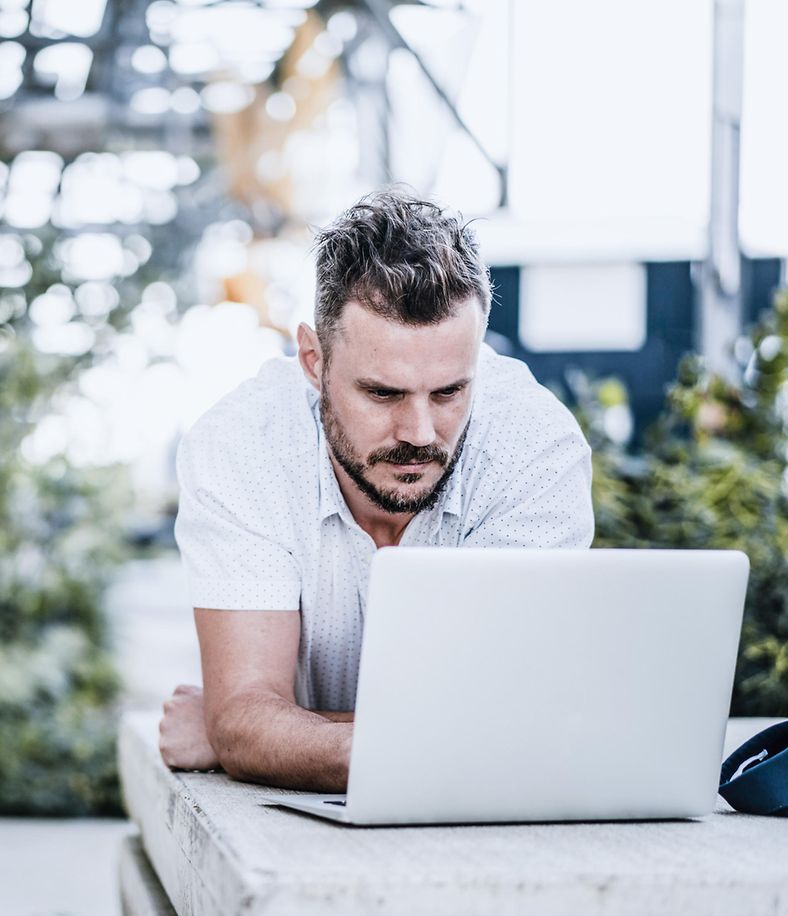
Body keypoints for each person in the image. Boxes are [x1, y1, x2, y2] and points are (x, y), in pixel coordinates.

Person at [159, 189, 594, 790]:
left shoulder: (535, 450)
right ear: (313, 361)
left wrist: (268, 734)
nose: (419, 433)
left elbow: (509, 728)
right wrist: (241, 730)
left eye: (449, 392)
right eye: (383, 394)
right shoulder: (240, 446)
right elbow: (246, 721)